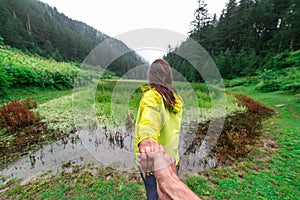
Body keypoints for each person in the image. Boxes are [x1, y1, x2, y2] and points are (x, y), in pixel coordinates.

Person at [134, 59, 184, 199]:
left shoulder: (152, 96)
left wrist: (147, 143)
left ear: (151, 76)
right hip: (172, 159)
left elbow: (149, 119)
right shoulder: (175, 99)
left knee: (153, 195)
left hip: (153, 161)